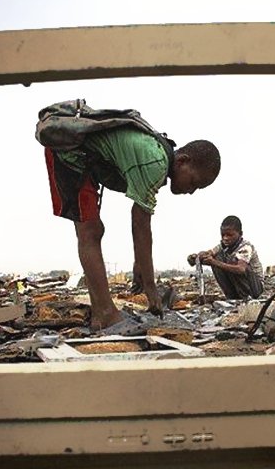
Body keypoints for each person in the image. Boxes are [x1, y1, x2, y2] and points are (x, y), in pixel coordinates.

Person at [44, 123, 221, 331]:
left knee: (93, 231)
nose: (191, 191)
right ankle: (105, 313)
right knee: (90, 232)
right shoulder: (156, 161)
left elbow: (140, 225)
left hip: (82, 159)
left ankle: (101, 313)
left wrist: (140, 263)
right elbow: (140, 225)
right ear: (183, 161)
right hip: (71, 155)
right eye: (193, 182)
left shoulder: (156, 155)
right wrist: (150, 286)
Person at [188, 215, 264, 300]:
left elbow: (241, 269)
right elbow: (209, 254)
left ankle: (246, 297)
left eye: (229, 235)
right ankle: (232, 297)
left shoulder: (245, 247)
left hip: (255, 288)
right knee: (217, 257)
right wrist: (197, 257)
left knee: (231, 262)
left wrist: (213, 262)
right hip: (238, 287)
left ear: (240, 234)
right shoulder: (223, 246)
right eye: (223, 235)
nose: (225, 238)